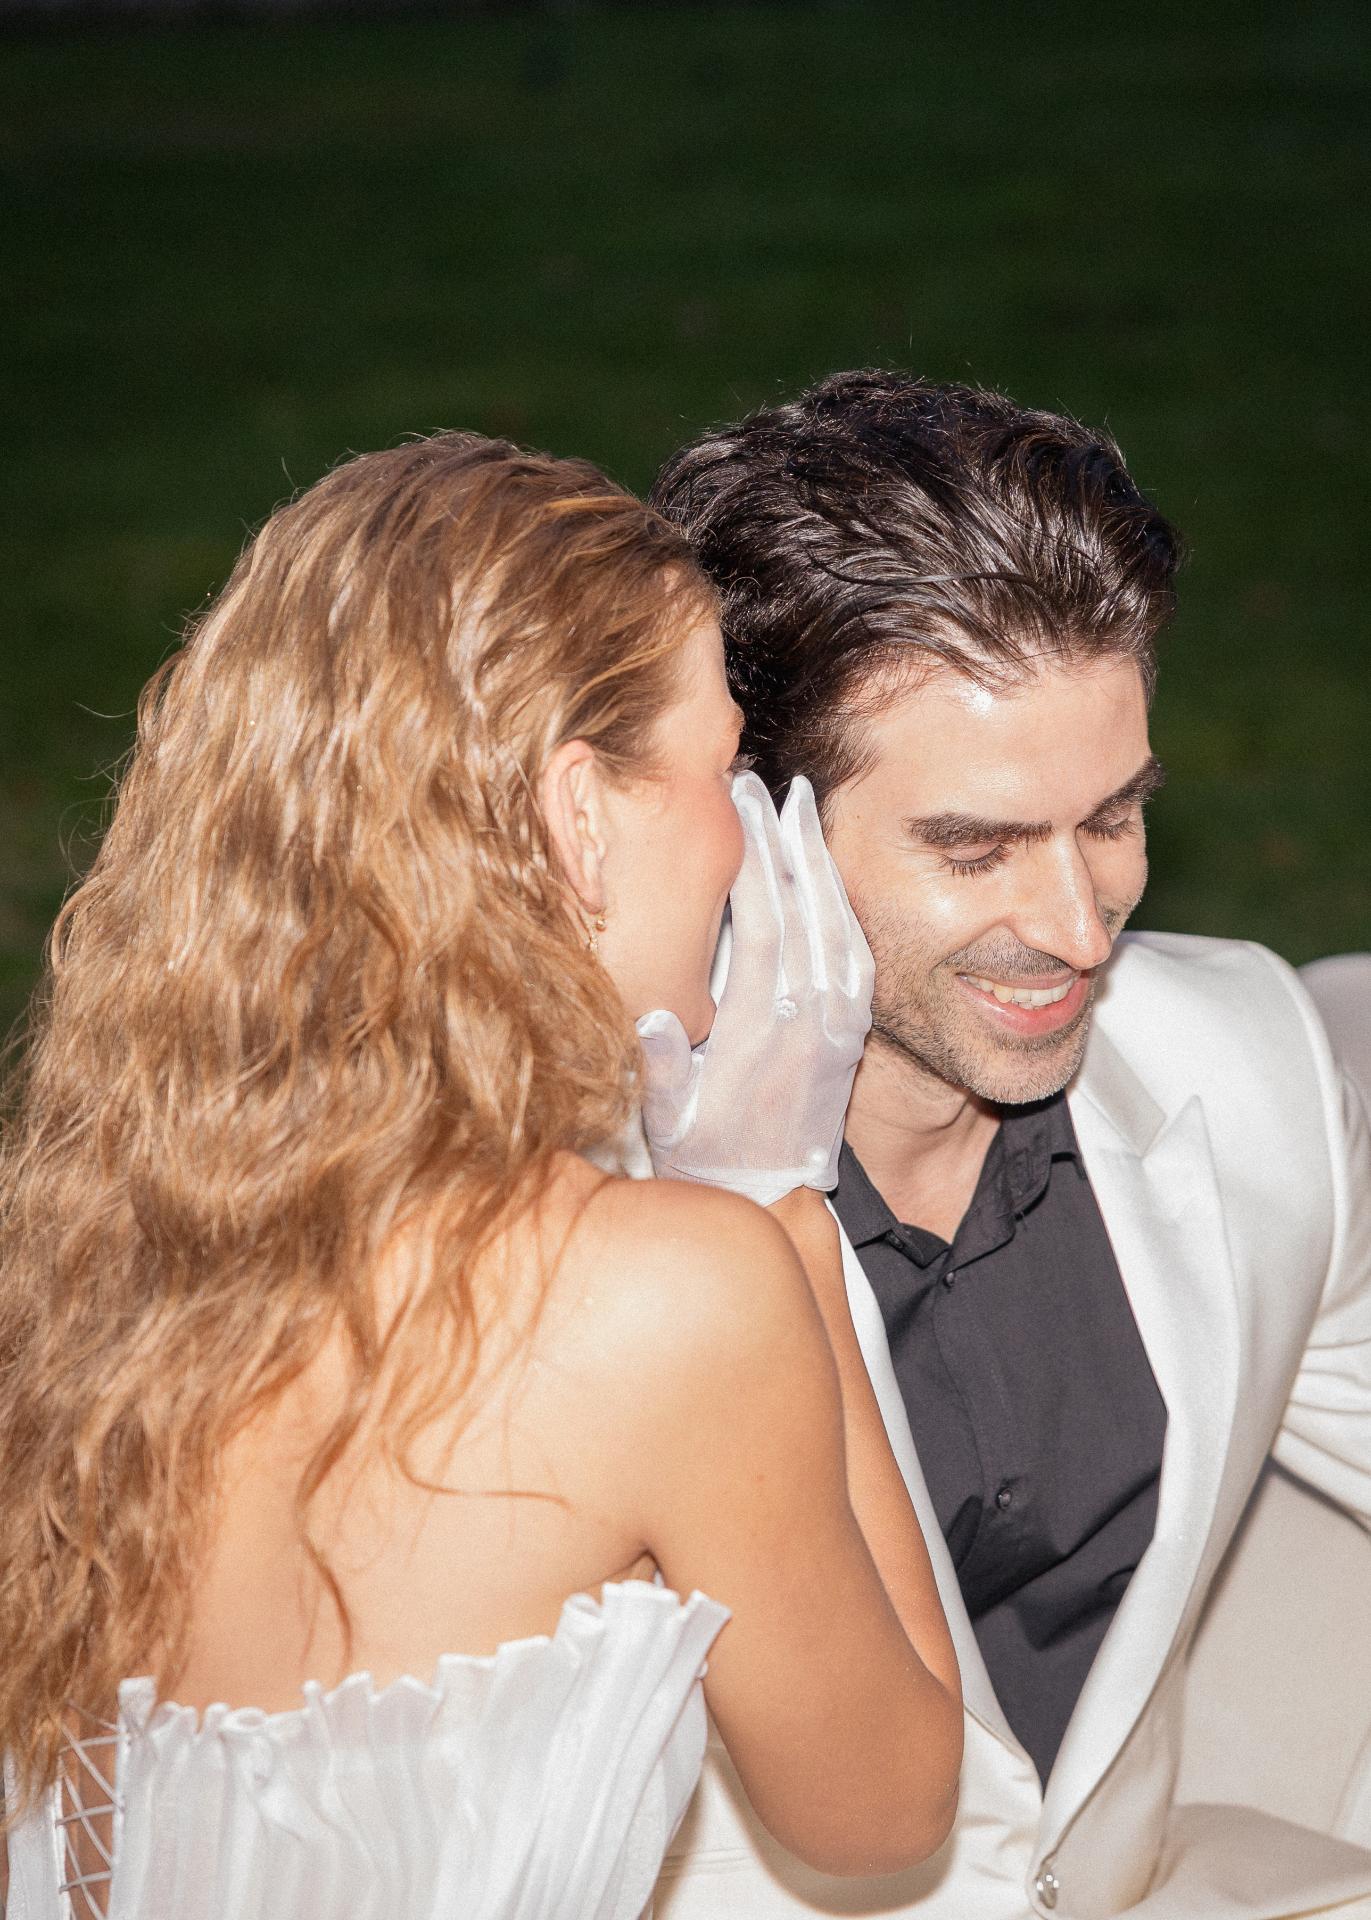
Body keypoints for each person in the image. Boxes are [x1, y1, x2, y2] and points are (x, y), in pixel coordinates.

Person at [0, 433, 962, 1918]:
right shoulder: (665, 1292)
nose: (750, 834)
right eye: (724, 767)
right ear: (579, 815)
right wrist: (779, 1196)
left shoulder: (76, 1249)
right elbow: (885, 1813)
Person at [650, 371, 1371, 1919]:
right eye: (974, 847)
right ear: (751, 829)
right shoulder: (573, 1210)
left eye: (1112, 819)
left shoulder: (1243, 1071)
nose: (1077, 929)